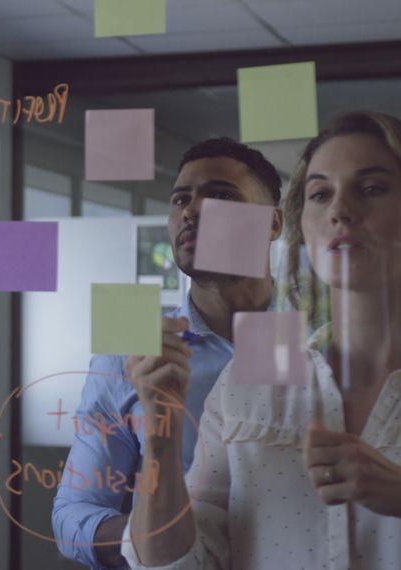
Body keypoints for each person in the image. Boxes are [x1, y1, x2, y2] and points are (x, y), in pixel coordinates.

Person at [120, 110, 401, 569]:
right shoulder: (259, 367)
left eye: (372, 188)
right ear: (300, 226)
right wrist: (161, 437)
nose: (340, 211)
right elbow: (178, 562)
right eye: (320, 194)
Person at [52, 137, 283, 568]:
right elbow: (71, 518)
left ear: (273, 223)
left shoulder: (323, 347)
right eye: (180, 199)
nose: (191, 211)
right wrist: (167, 532)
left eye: (220, 195)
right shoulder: (132, 357)